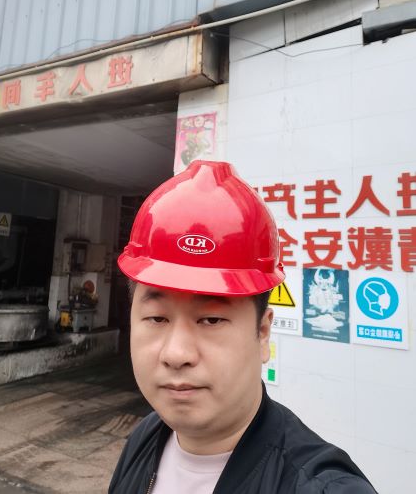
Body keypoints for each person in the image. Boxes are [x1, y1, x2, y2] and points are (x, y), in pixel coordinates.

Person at [108, 161, 377, 494]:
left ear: (262, 332)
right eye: (157, 318)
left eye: (211, 320)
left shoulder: (321, 487)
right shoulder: (144, 438)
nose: (176, 354)